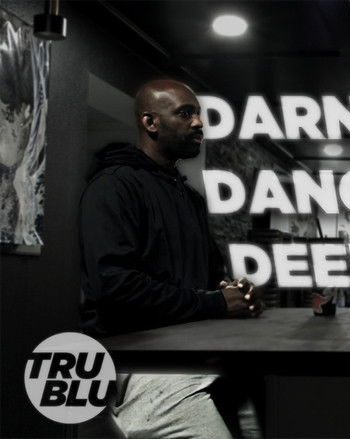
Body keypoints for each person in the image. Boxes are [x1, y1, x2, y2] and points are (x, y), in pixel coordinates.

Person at [79, 79, 262, 438]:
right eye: (185, 113)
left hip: (194, 354)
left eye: (199, 114)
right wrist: (215, 303)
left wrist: (235, 292)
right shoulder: (113, 186)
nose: (199, 123)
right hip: (142, 363)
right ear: (151, 122)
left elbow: (209, 278)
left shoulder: (188, 198)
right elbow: (115, 288)